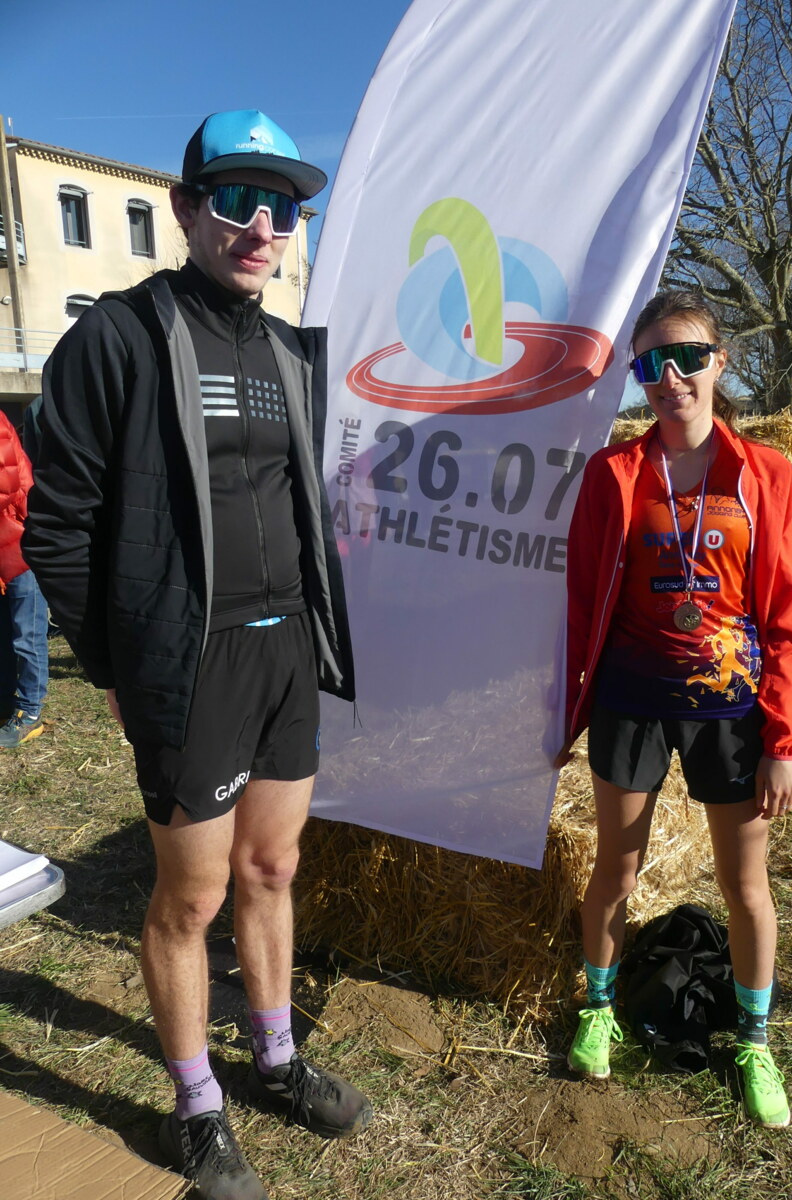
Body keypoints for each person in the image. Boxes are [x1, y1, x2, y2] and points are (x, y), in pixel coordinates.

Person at [24, 109, 369, 1200]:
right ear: (185, 208)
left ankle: (274, 1057)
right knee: (192, 898)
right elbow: (57, 527)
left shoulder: (288, 351)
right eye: (237, 198)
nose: (262, 225)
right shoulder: (119, 337)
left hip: (285, 651)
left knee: (273, 869)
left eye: (283, 208)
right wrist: (117, 667)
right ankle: (195, 1106)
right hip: (190, 662)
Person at [555, 291, 792, 1130]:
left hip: (731, 711)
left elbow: (791, 616)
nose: (671, 378)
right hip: (632, 701)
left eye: (689, 357)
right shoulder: (614, 474)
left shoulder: (765, 474)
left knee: (745, 886)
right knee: (616, 871)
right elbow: (581, 603)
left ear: (720, 362)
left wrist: (782, 740)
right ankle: (599, 1009)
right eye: (651, 364)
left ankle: (755, 1041)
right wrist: (568, 713)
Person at [0, 409, 49, 747]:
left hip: (19, 544)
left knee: (27, 634)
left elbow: (7, 485)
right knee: (5, 632)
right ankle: (6, 703)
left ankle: (30, 712)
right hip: (5, 544)